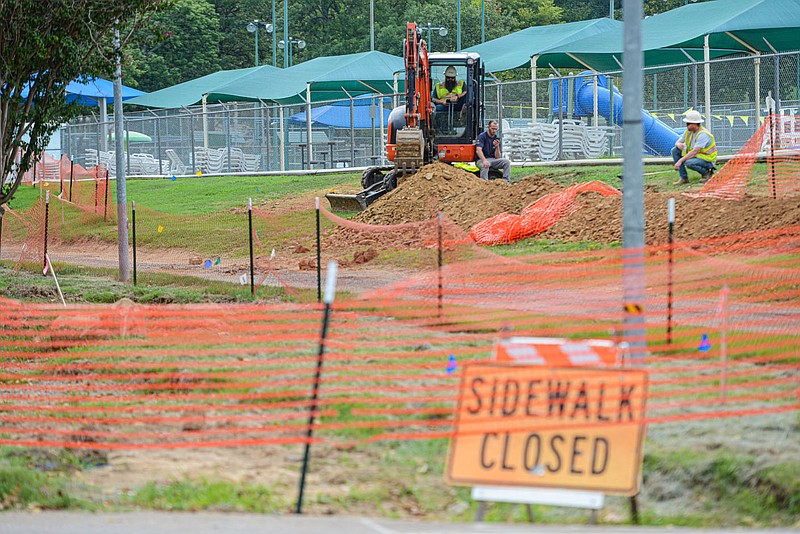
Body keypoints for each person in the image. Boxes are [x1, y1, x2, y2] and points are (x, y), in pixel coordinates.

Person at [672, 109, 717, 185]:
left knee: (689, 163)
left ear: (695, 124)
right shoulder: (688, 132)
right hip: (697, 156)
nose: (687, 125)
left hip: (707, 160)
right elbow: (678, 142)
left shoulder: (703, 134)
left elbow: (694, 152)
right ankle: (684, 178)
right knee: (675, 151)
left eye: (688, 123)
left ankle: (707, 173)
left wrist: (680, 161)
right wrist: (678, 144)